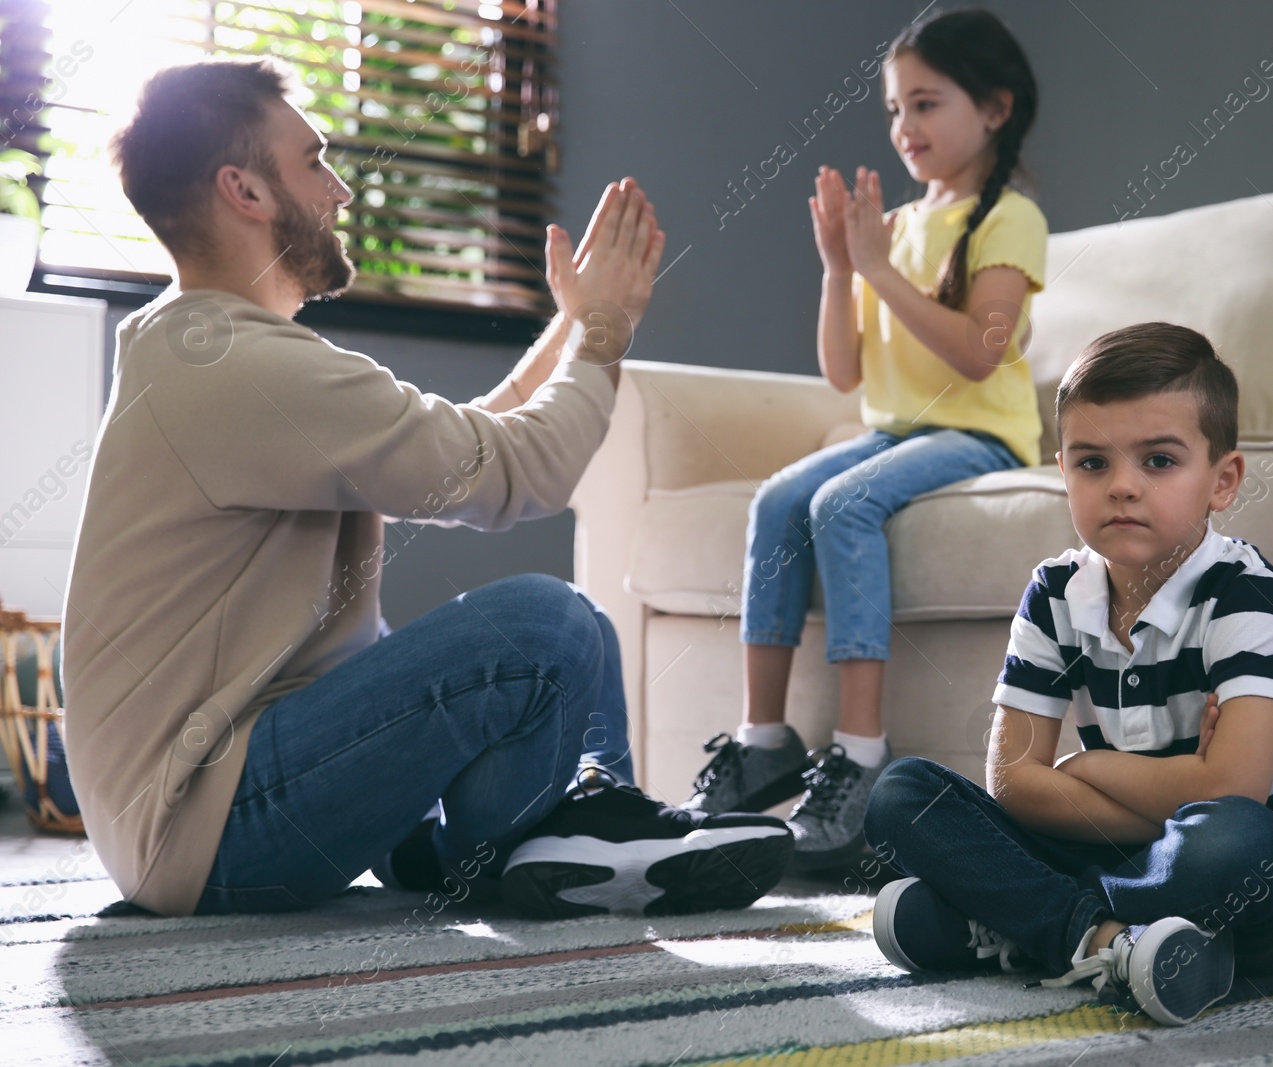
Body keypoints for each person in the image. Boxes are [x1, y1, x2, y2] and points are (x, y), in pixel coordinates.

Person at [60, 57, 794, 919]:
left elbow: (470, 439)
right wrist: (604, 331)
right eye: (313, 160)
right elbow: (522, 473)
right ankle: (535, 842)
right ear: (245, 191)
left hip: (215, 801)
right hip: (210, 828)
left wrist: (569, 325)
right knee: (545, 623)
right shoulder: (239, 365)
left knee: (583, 623)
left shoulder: (203, 345)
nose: (337, 190)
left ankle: (578, 827)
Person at [864, 323, 1273, 1026]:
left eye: (1158, 460)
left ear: (1223, 480)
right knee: (901, 793)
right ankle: (1105, 940)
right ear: (1062, 469)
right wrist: (1175, 776)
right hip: (1117, 847)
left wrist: (1087, 765)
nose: (1122, 485)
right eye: (1093, 463)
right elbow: (1012, 780)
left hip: (1262, 877)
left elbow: (1229, 789)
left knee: (1227, 840)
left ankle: (1014, 921)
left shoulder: (1246, 593)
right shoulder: (1057, 591)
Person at [683, 9, 1050, 873]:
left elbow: (979, 349)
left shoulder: (1010, 220)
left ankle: (857, 751)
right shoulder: (898, 228)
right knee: (780, 498)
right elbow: (843, 372)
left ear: (994, 109)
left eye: (925, 105)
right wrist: (841, 268)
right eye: (894, 110)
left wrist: (879, 268)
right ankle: (764, 740)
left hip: (983, 434)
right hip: (893, 427)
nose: (903, 129)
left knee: (842, 504)